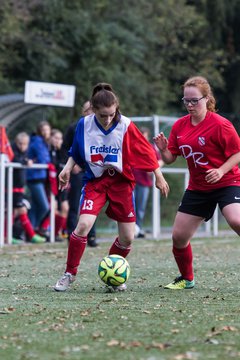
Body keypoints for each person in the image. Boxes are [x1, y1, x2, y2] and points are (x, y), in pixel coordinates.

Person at [54, 82, 169, 292]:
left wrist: (158, 176)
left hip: (121, 183)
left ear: (116, 109)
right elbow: (76, 150)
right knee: (82, 226)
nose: (107, 120)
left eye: (111, 114)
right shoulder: (84, 124)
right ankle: (69, 274)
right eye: (102, 115)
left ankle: (111, 270)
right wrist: (67, 169)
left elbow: (145, 151)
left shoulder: (125, 125)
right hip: (96, 183)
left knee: (127, 237)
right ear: (94, 111)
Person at [154, 75, 240, 290]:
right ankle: (186, 278)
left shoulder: (221, 125)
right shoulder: (180, 126)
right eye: (186, 101)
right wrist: (163, 149)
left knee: (236, 220)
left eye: (195, 100)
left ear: (206, 99)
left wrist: (220, 171)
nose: (190, 105)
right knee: (179, 237)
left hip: (227, 182)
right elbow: (171, 159)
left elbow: (237, 153)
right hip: (198, 188)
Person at [62, 100, 98, 247]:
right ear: (84, 112)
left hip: (93, 172)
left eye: (93, 109)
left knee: (92, 204)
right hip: (77, 173)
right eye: (88, 109)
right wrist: (71, 165)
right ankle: (71, 234)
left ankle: (92, 236)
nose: (90, 112)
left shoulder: (100, 128)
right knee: (75, 202)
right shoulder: (75, 127)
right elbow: (65, 148)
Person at [12, 132, 46, 244]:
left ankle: (27, 235)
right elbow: (14, 159)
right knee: (16, 211)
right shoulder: (12, 151)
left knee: (21, 210)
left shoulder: (26, 152)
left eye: (24, 144)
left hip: (20, 188)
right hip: (11, 188)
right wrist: (26, 161)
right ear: (16, 143)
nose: (22, 146)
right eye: (20, 144)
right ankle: (28, 236)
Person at [133, 127, 164, 238]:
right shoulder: (132, 146)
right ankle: (130, 230)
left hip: (144, 182)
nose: (142, 137)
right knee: (130, 207)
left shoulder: (150, 148)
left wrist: (154, 168)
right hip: (130, 181)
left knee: (140, 208)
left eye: (144, 135)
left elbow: (160, 161)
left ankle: (138, 229)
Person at [27, 121, 51, 232]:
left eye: (47, 129)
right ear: (39, 131)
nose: (46, 132)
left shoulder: (43, 142)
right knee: (44, 207)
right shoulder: (38, 141)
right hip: (34, 178)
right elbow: (44, 159)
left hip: (39, 178)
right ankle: (33, 229)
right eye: (43, 130)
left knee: (35, 207)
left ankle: (29, 231)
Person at [49, 128, 69, 240]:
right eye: (56, 138)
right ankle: (53, 233)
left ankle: (59, 233)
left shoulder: (64, 152)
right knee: (54, 208)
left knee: (65, 208)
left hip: (62, 185)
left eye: (60, 138)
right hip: (51, 185)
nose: (58, 140)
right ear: (51, 138)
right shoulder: (49, 151)